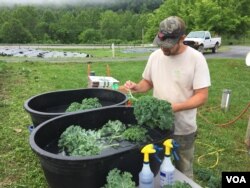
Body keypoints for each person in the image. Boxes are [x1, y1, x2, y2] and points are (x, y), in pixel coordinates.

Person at [120, 16, 211, 179]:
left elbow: (202, 97)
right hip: (157, 128)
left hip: (183, 129)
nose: (164, 49)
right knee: (158, 167)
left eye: (168, 46)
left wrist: (174, 108)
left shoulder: (196, 59)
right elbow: (147, 82)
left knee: (183, 170)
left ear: (182, 38)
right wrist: (137, 87)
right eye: (161, 45)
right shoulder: (155, 56)